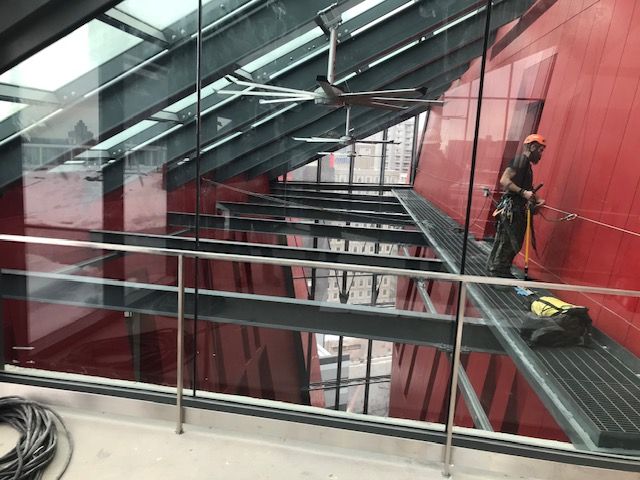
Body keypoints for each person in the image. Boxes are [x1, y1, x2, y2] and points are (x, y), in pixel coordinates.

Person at [487, 134, 546, 278]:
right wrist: (523, 193)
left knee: (506, 240)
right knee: (511, 242)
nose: (541, 155)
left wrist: (536, 198)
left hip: (514, 208)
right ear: (532, 147)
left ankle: (495, 269)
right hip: (513, 209)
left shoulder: (525, 165)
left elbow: (526, 187)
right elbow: (504, 180)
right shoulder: (521, 161)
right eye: (540, 150)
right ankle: (499, 272)